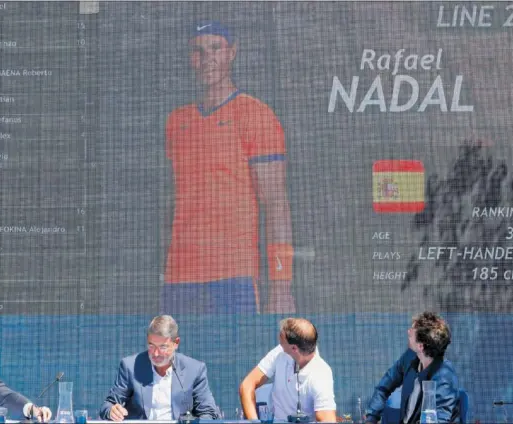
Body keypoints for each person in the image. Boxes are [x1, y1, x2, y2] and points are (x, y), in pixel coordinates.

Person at [162, 20, 294, 314]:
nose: (207, 58)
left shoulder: (255, 114)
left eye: (215, 48)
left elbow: (276, 205)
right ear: (189, 57)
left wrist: (281, 288)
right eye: (198, 50)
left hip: (234, 276)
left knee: (238, 359)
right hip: (179, 278)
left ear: (232, 52)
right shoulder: (176, 121)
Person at [99, 315, 219, 421]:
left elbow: (208, 412)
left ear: (176, 343)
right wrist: (111, 411)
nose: (156, 354)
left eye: (162, 347)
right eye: (152, 346)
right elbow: (108, 405)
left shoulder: (194, 370)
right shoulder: (130, 366)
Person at [364, 312, 460, 424]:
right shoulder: (409, 357)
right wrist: (371, 417)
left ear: (420, 346)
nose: (408, 331)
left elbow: (437, 420)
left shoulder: (444, 377)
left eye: (412, 331)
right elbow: (384, 387)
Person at [239, 318, 336, 422]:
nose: (279, 338)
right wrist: (254, 422)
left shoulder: (322, 374)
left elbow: (327, 419)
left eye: (282, 338)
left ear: (294, 348)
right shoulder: (279, 352)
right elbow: (247, 385)